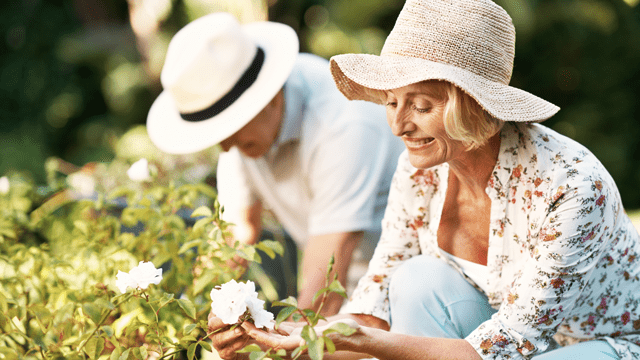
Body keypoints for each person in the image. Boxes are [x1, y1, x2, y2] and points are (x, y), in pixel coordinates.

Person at [207, 0, 640, 359]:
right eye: (392, 102)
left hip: (594, 345)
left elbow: (513, 343)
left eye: (421, 105)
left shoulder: (570, 186)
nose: (398, 126)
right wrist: (281, 340)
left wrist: (367, 340)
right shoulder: (421, 173)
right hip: (492, 341)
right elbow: (372, 313)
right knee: (415, 280)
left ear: (474, 106)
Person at [146, 12, 405, 316]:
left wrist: (280, 343)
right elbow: (236, 235)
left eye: (229, 129)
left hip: (399, 297)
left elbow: (324, 294)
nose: (226, 146)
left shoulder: (342, 124)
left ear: (271, 97)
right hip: (339, 295)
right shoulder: (246, 132)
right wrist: (202, 317)